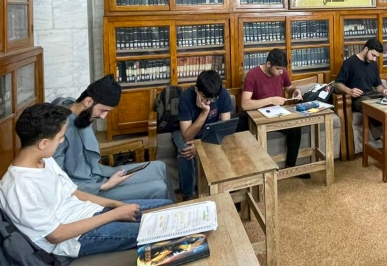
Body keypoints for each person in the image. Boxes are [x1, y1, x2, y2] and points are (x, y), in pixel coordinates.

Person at [0, 103, 172, 258]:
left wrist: (116, 205)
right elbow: (56, 235)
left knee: (168, 209)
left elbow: (75, 193)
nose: (62, 142)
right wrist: (115, 214)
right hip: (75, 238)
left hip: (90, 213)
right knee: (162, 230)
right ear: (43, 143)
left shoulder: (45, 160)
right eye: (61, 137)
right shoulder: (19, 186)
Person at [53, 75, 175, 202]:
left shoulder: (77, 109)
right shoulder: (59, 130)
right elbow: (58, 181)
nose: (103, 116)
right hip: (90, 189)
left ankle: (177, 209)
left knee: (160, 167)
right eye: (103, 110)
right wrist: (105, 185)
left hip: (99, 173)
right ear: (88, 101)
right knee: (159, 188)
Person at [334, 38, 387, 155]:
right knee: (370, 106)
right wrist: (349, 91)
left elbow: (378, 85)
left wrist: (384, 90)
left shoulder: (373, 64)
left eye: (376, 57)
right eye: (373, 55)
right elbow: (337, 84)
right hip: (358, 98)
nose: (374, 59)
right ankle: (385, 141)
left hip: (373, 94)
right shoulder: (349, 63)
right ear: (366, 49)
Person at [241, 49, 307, 178]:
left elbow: (290, 89)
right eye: (278, 69)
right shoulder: (252, 75)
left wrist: (295, 91)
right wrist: (270, 100)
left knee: (295, 128)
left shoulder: (282, 72)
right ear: (268, 64)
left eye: (283, 69)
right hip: (258, 116)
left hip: (276, 114)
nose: (281, 72)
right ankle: (260, 174)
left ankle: (291, 167)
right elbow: (245, 104)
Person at [174, 70, 234, 200]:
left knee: (228, 143)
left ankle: (225, 190)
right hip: (186, 132)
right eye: (204, 98)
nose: (208, 102)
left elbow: (224, 128)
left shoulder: (222, 93)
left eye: (212, 99)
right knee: (185, 151)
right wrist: (204, 112)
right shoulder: (186, 97)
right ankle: (188, 197)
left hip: (210, 131)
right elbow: (187, 136)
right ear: (197, 90)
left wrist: (201, 146)